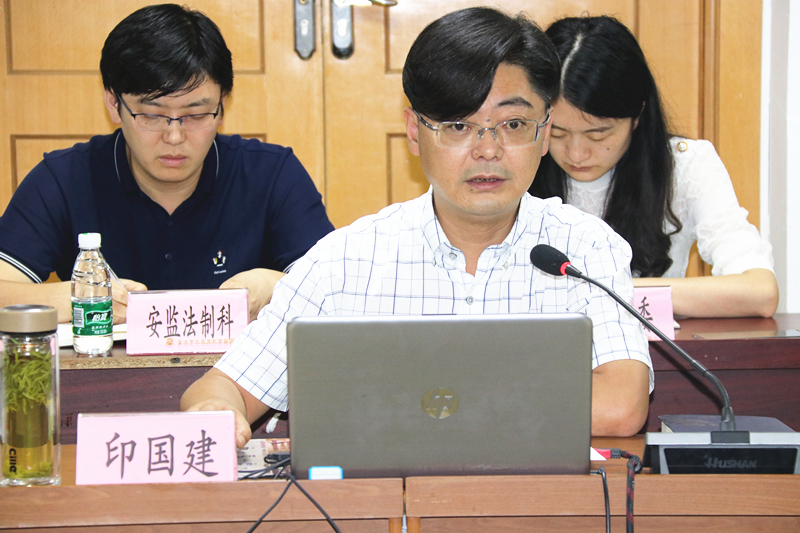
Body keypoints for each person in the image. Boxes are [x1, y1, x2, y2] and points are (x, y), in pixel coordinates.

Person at [181, 7, 653, 442]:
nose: (488, 150)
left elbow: (620, 406)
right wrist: (215, 412)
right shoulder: (346, 261)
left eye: (512, 125)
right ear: (413, 131)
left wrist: (417, 401)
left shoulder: (584, 249)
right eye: (458, 126)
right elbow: (224, 388)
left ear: (544, 132)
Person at [0, 4, 334, 323]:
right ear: (114, 104)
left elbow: (337, 289)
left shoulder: (271, 175)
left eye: (196, 114)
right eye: (152, 114)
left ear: (222, 105)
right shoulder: (64, 179)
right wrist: (82, 296)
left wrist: (272, 286)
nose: (174, 136)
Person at [529, 15, 778, 318]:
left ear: (638, 114)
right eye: (557, 133)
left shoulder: (685, 166)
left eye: (598, 134)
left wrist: (612, 291)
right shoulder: (517, 163)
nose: (577, 153)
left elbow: (760, 292)